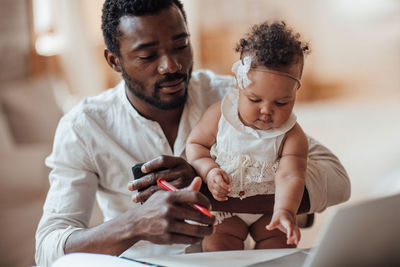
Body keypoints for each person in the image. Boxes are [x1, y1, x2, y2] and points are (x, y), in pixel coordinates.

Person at [35, 0, 350, 266]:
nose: (171, 65)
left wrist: (214, 196)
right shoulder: (84, 127)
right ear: (114, 60)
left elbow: (335, 179)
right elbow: (48, 248)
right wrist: (135, 224)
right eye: (147, 55)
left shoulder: (237, 100)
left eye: (181, 45)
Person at [187, 21, 310, 251]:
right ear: (239, 84)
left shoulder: (292, 135)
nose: (266, 110)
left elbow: (290, 176)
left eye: (282, 102)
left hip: (269, 208)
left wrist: (285, 211)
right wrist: (209, 170)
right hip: (225, 208)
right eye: (255, 100)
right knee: (217, 246)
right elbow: (195, 145)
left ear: (295, 93)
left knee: (279, 248)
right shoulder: (219, 115)